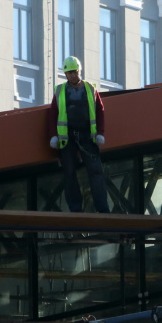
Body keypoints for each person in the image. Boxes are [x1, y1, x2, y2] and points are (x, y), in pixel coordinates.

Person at [48, 56, 111, 213]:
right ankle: (76, 210)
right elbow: (52, 114)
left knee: (95, 171)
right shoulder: (60, 91)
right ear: (65, 74)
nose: (72, 75)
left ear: (79, 71)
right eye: (69, 73)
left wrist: (100, 133)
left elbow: (100, 111)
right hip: (67, 138)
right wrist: (53, 135)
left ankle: (103, 209)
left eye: (75, 72)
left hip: (88, 136)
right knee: (69, 173)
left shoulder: (90, 89)